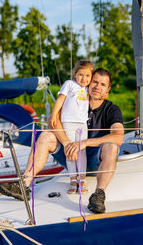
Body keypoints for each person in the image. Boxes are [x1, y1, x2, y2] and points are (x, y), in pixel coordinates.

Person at [0, 68, 124, 214]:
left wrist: (84, 143)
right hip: (69, 155)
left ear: (108, 89)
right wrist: (67, 143)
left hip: (95, 161)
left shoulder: (111, 110)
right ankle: (23, 185)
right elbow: (53, 121)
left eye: (102, 84)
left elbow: (118, 136)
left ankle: (98, 195)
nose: (97, 87)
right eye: (94, 82)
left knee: (111, 146)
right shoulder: (75, 101)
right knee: (45, 136)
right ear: (88, 83)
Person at [50, 60, 93, 195]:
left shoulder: (88, 89)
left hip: (82, 124)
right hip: (68, 122)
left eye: (87, 76)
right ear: (75, 74)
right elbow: (60, 100)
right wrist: (53, 115)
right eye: (81, 75)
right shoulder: (69, 84)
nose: (84, 78)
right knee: (69, 150)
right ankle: (73, 179)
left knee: (82, 151)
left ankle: (82, 179)